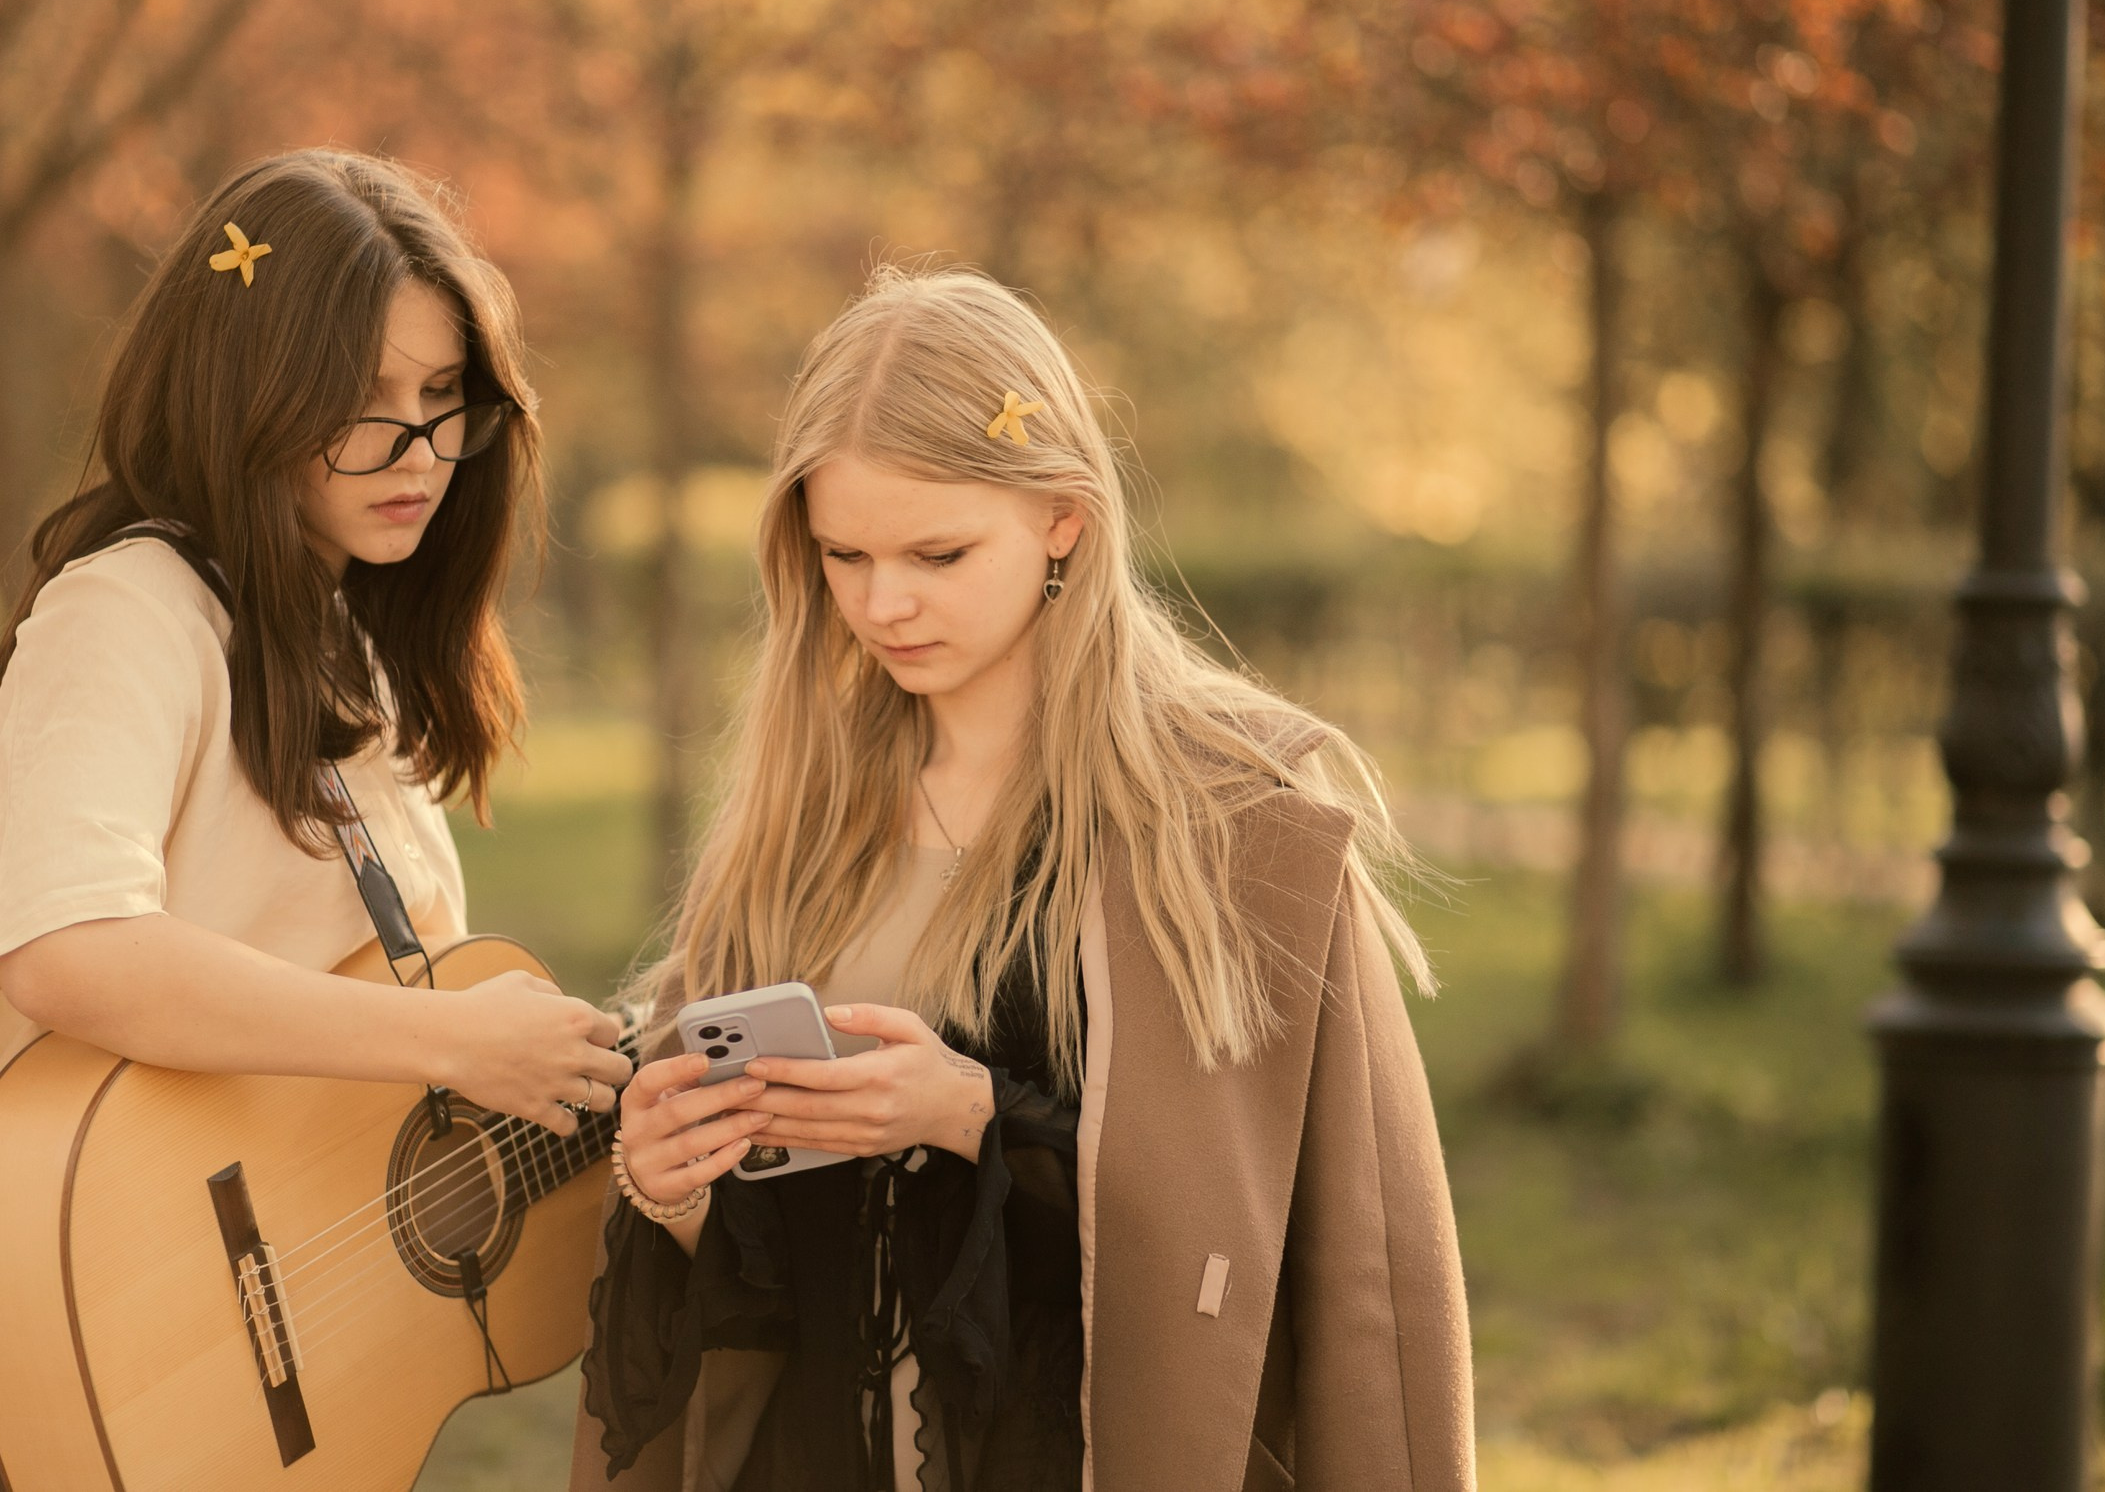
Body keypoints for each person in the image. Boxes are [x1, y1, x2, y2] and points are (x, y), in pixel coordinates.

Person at [573, 267, 1474, 1492]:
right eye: (844, 554)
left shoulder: (1233, 828)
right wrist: (670, 1186)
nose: (884, 603)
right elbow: (754, 1275)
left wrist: (967, 1118)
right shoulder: (798, 819)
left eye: (937, 552)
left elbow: (1354, 1271)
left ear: (1063, 516)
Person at [0, 150, 633, 1490]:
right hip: (70, 1330)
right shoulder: (134, 608)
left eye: (445, 400)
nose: (422, 454)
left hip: (275, 1362)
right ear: (246, 394)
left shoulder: (341, 647)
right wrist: (453, 1036)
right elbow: (68, 945)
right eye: (363, 405)